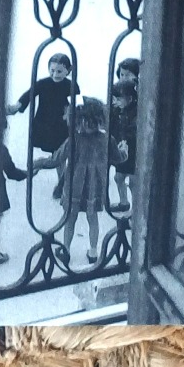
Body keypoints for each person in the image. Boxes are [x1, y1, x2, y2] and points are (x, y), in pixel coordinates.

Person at [57, 96, 108, 265]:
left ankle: (66, 250)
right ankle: (93, 251)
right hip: (95, 187)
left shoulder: (74, 140)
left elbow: (56, 159)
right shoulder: (105, 139)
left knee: (69, 219)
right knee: (93, 219)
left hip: (74, 186)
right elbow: (118, 157)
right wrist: (125, 152)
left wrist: (37, 164)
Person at [8, 51, 75, 160]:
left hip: (61, 123)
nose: (55, 75)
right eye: (52, 71)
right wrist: (18, 106)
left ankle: (60, 168)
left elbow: (77, 102)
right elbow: (29, 94)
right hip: (44, 122)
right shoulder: (43, 83)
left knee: (62, 149)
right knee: (51, 148)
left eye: (59, 71)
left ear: (68, 71)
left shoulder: (70, 86)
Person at [109, 56, 140, 215]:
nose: (124, 78)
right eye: (122, 74)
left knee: (133, 181)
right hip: (121, 146)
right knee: (118, 177)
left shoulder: (137, 105)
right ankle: (124, 202)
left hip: (133, 149)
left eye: (128, 75)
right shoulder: (117, 105)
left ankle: (137, 208)